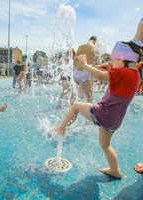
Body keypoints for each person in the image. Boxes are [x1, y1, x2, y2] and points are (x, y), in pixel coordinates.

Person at [53, 27, 141, 178]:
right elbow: (113, 74)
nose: (112, 64)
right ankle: (115, 170)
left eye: (114, 61)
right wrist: (109, 67)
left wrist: (85, 65)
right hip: (114, 120)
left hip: (104, 113)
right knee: (105, 145)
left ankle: (61, 128)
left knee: (75, 106)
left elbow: (102, 76)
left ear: (122, 59)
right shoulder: (135, 75)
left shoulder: (122, 73)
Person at [74, 36, 101, 103]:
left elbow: (75, 61)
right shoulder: (95, 48)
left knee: (78, 96)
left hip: (76, 73)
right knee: (89, 98)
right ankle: (88, 112)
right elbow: (99, 64)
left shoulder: (80, 46)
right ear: (95, 41)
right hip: (86, 73)